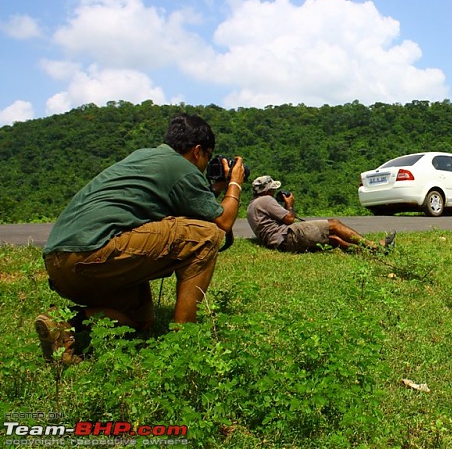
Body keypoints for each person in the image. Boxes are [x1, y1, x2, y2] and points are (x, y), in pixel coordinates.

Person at [38, 114, 246, 363]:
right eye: (208, 157)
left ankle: (65, 322)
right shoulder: (181, 168)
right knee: (206, 236)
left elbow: (184, 206)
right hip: (91, 255)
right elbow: (222, 222)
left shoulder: (143, 157)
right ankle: (185, 341)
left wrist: (213, 190)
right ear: (198, 151)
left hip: (61, 265)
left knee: (139, 320)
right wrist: (235, 183)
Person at [247, 175, 395, 253]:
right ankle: (375, 247)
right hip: (286, 236)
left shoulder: (251, 206)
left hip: (280, 244)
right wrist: (290, 204)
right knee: (334, 224)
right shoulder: (266, 200)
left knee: (333, 239)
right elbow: (289, 219)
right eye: (272, 189)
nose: (274, 192)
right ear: (266, 191)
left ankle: (364, 253)